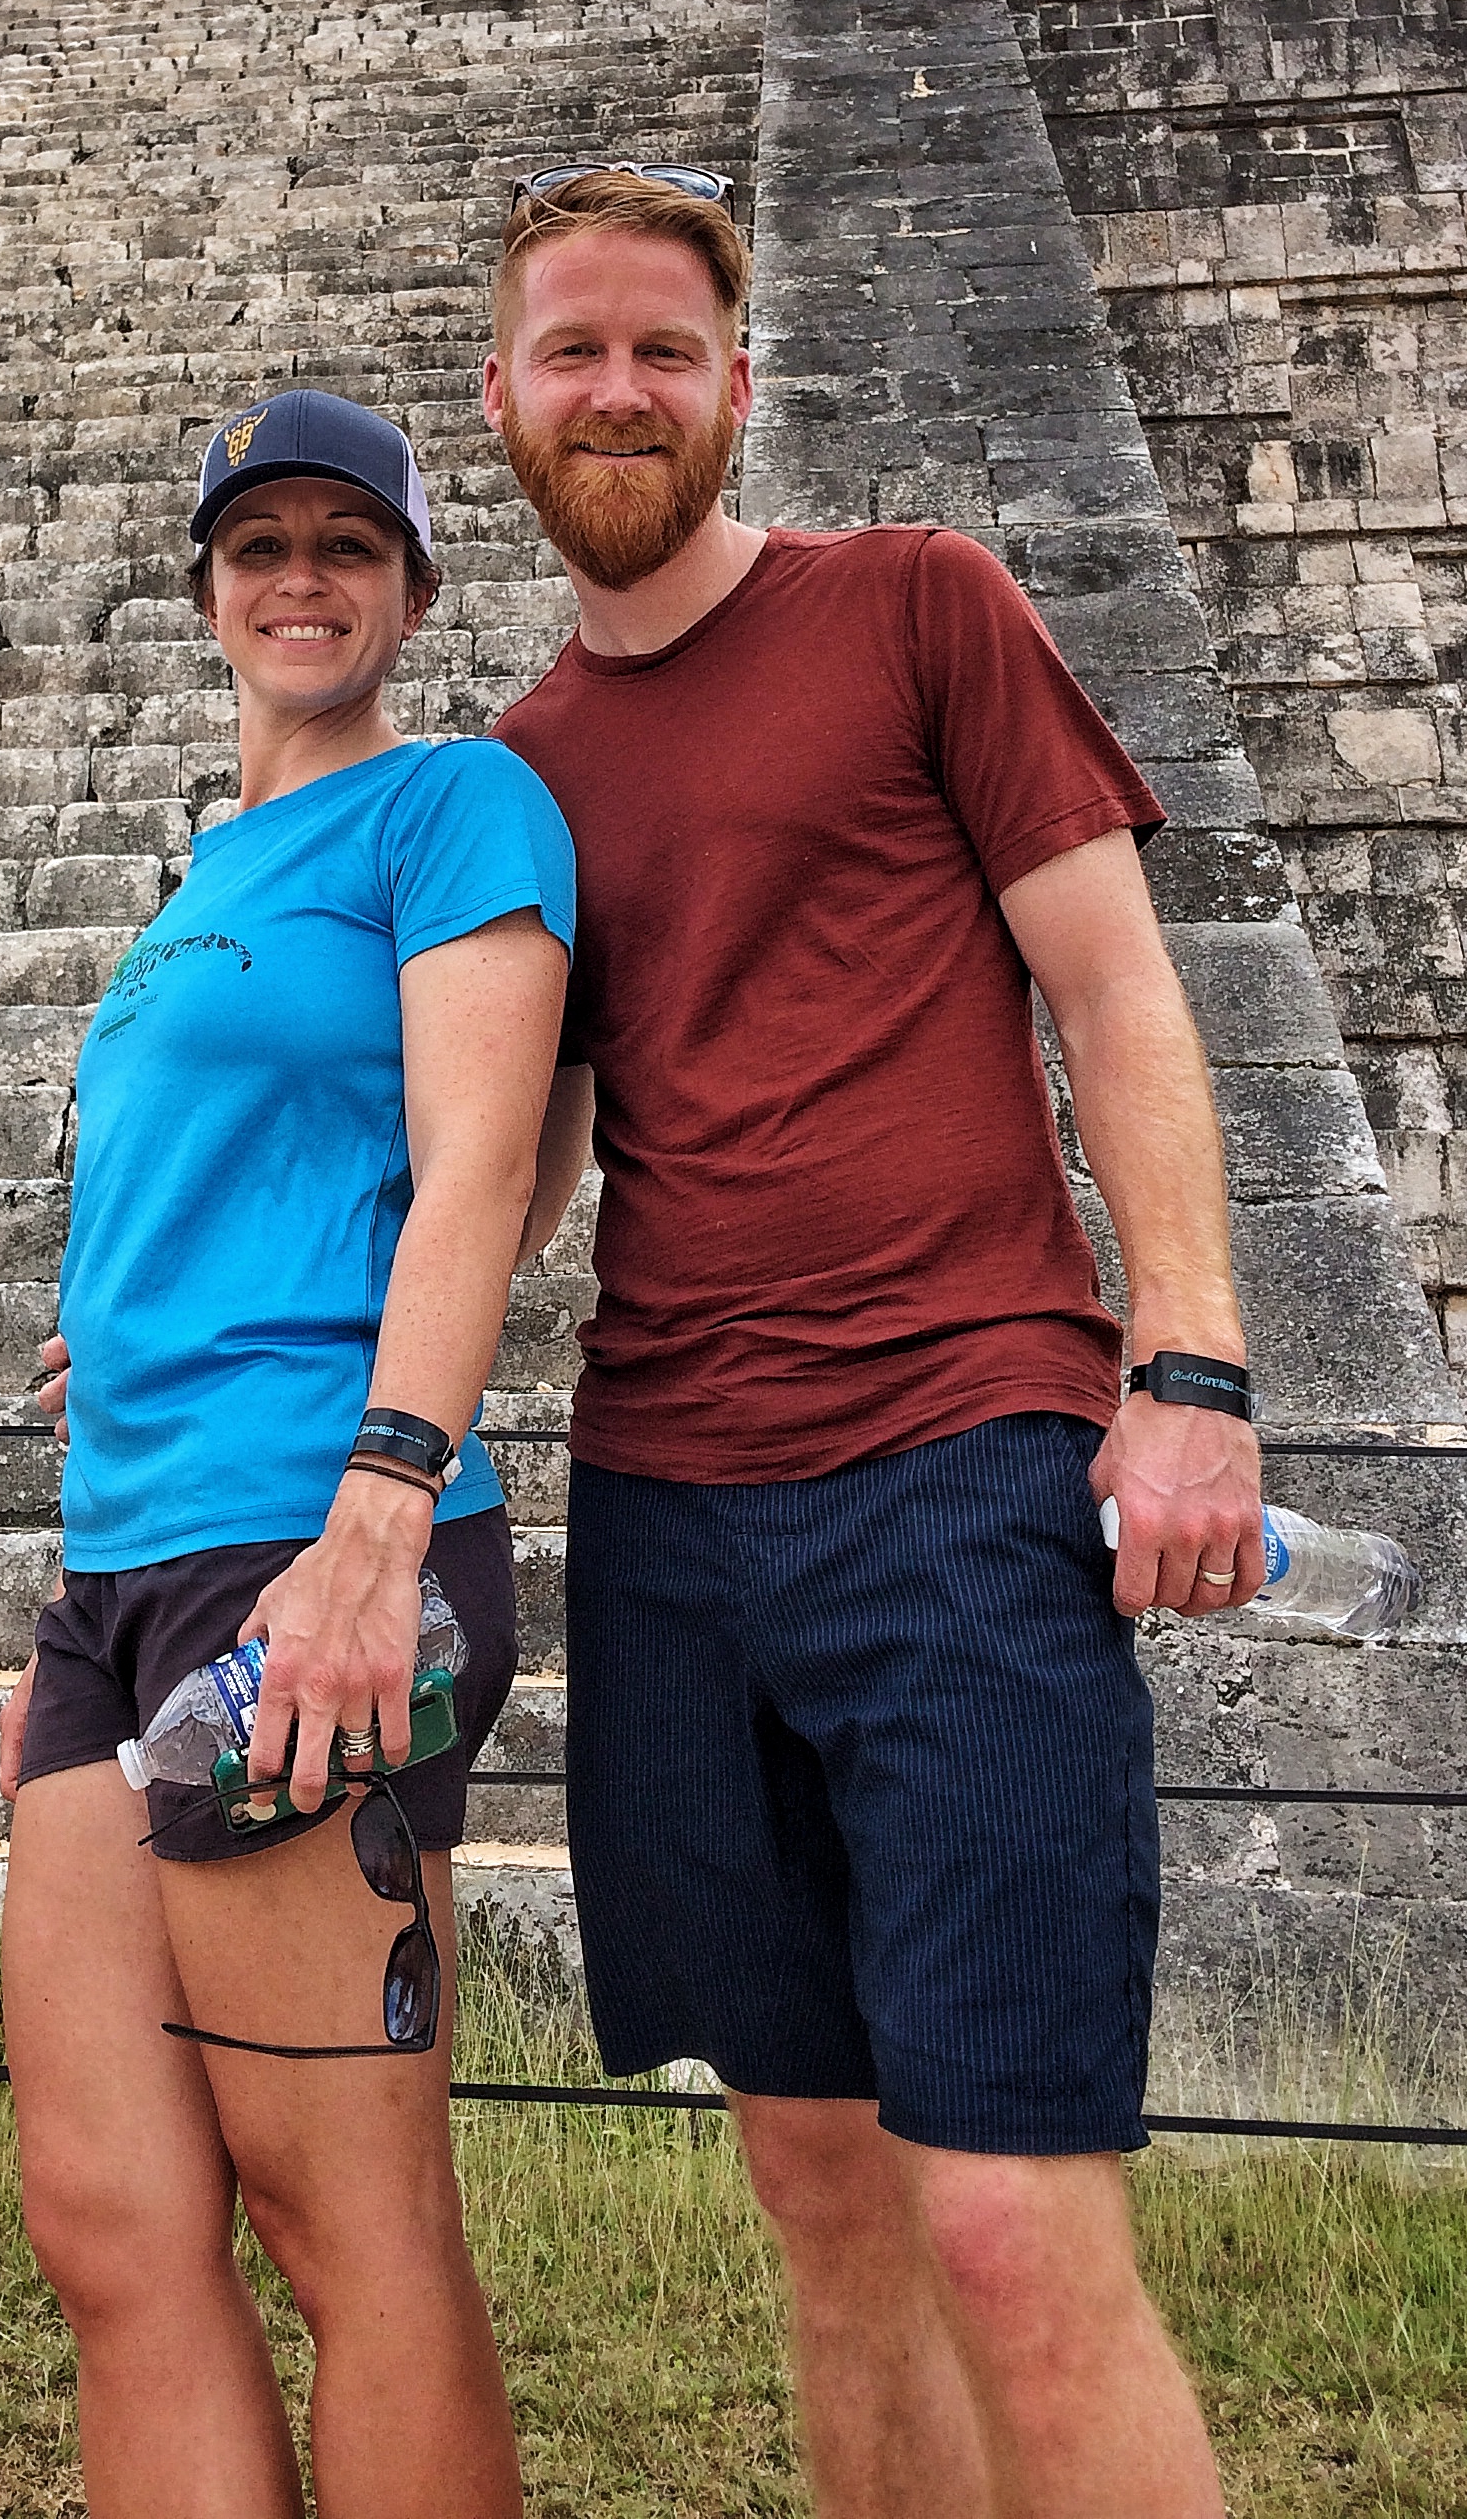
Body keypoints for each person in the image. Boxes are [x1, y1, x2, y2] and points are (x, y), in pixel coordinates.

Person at [482, 167, 1263, 2519]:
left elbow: (1118, 986)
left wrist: (1191, 1365)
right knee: (820, 2200)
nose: (619, 391)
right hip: (668, 1518)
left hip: (957, 1471)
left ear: (739, 385)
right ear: (505, 397)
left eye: (665, 352)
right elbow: (518, 1164)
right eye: (573, 352)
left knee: (1015, 2219)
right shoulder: (513, 771)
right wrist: (227, 1334)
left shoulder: (920, 605)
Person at [0, 388, 574, 2519]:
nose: (302, 576)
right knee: (116, 2228)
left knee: (351, 2228)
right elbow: (225, 1173)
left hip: (316, 1549)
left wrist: (379, 1513)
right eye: (262, 545)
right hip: (123, 1572)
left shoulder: (456, 807)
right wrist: (118, 1337)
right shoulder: (201, 881)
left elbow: (485, 1167)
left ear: (415, 589)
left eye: (350, 541)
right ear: (208, 589)